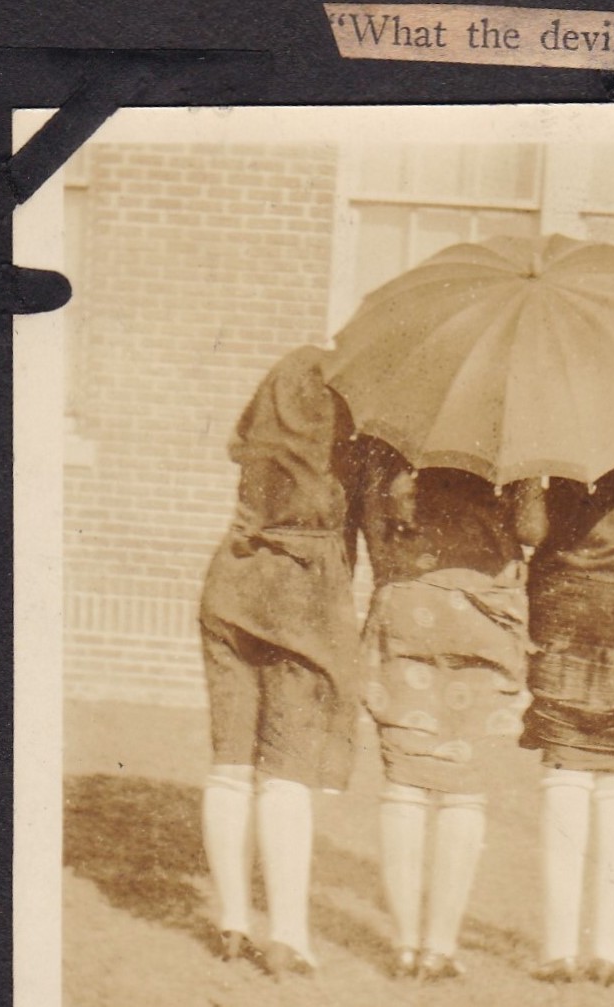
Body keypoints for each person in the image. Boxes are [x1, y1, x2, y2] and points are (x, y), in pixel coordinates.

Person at [198, 345, 360, 980]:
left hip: (234, 579)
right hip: (303, 597)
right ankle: (288, 934)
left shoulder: (259, 439)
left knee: (231, 765)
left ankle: (233, 922)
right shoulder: (351, 444)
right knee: (286, 772)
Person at [351, 436, 531, 981]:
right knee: (463, 790)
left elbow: (375, 518)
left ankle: (405, 945)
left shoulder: (396, 428)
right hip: (485, 614)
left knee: (404, 783)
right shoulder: (515, 423)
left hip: (410, 602)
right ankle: (439, 948)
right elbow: (532, 530)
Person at [516, 456, 614, 987]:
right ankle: (606, 952)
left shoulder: (559, 428)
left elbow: (529, 529)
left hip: (568, 601)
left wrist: (525, 482)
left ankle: (560, 949)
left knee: (564, 770)